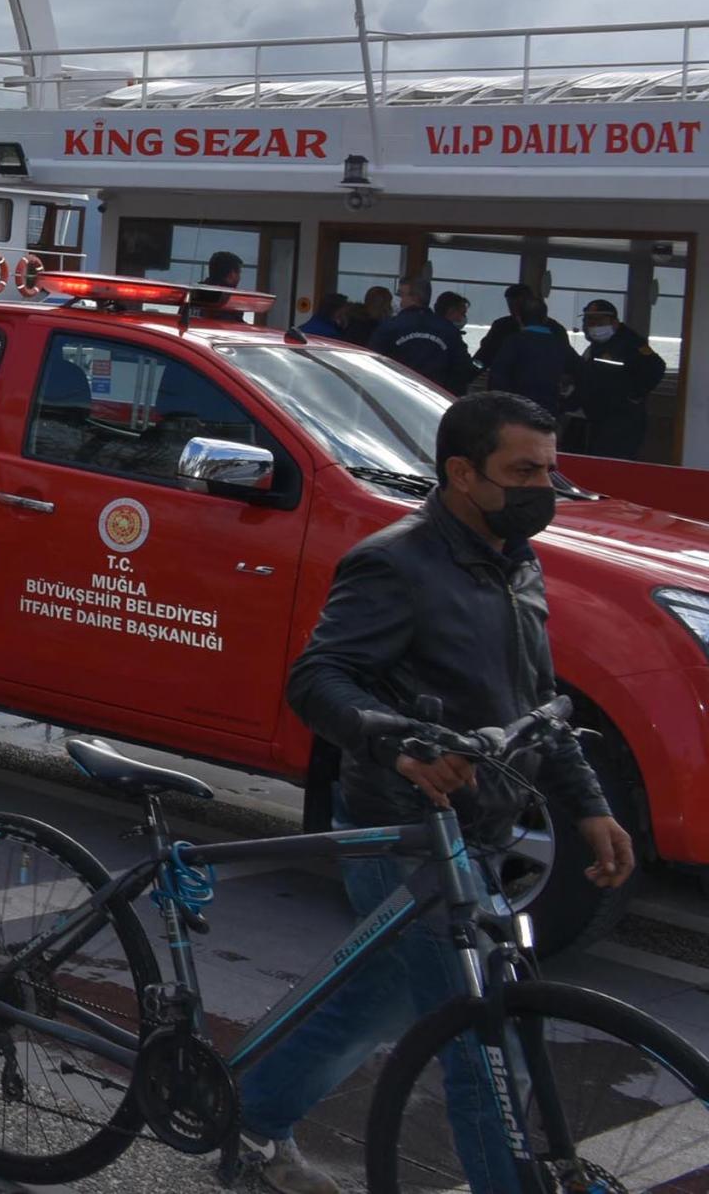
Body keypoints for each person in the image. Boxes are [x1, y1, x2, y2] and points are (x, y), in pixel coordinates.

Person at [233, 392, 631, 1194]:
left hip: (477, 829)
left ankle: (248, 1119)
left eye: (550, 471)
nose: (544, 489)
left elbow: (539, 702)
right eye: (524, 471)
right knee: (482, 1043)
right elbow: (318, 679)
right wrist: (399, 743)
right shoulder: (397, 562)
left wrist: (589, 805)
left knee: (381, 1003)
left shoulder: (514, 560)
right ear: (462, 472)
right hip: (403, 828)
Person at [573, 299, 664, 460]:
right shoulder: (596, 346)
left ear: (614, 322)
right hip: (598, 418)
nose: (591, 326)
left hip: (622, 421)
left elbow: (656, 367)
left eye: (597, 321)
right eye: (588, 321)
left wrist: (634, 395)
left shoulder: (630, 343)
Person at [372, 277, 467, 390]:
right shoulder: (449, 330)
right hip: (435, 394)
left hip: (395, 391)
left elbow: (373, 361)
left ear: (415, 297)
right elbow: (462, 367)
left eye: (401, 295)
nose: (399, 301)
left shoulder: (390, 327)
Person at [487, 295, 575, 413]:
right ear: (545, 319)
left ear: (519, 318)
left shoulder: (513, 341)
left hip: (517, 408)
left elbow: (497, 376)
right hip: (548, 408)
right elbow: (576, 374)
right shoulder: (560, 344)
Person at [474, 284, 532, 379]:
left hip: (503, 380)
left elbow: (484, 355)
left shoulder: (501, 325)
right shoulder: (552, 327)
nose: (513, 308)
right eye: (511, 304)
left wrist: (471, 370)